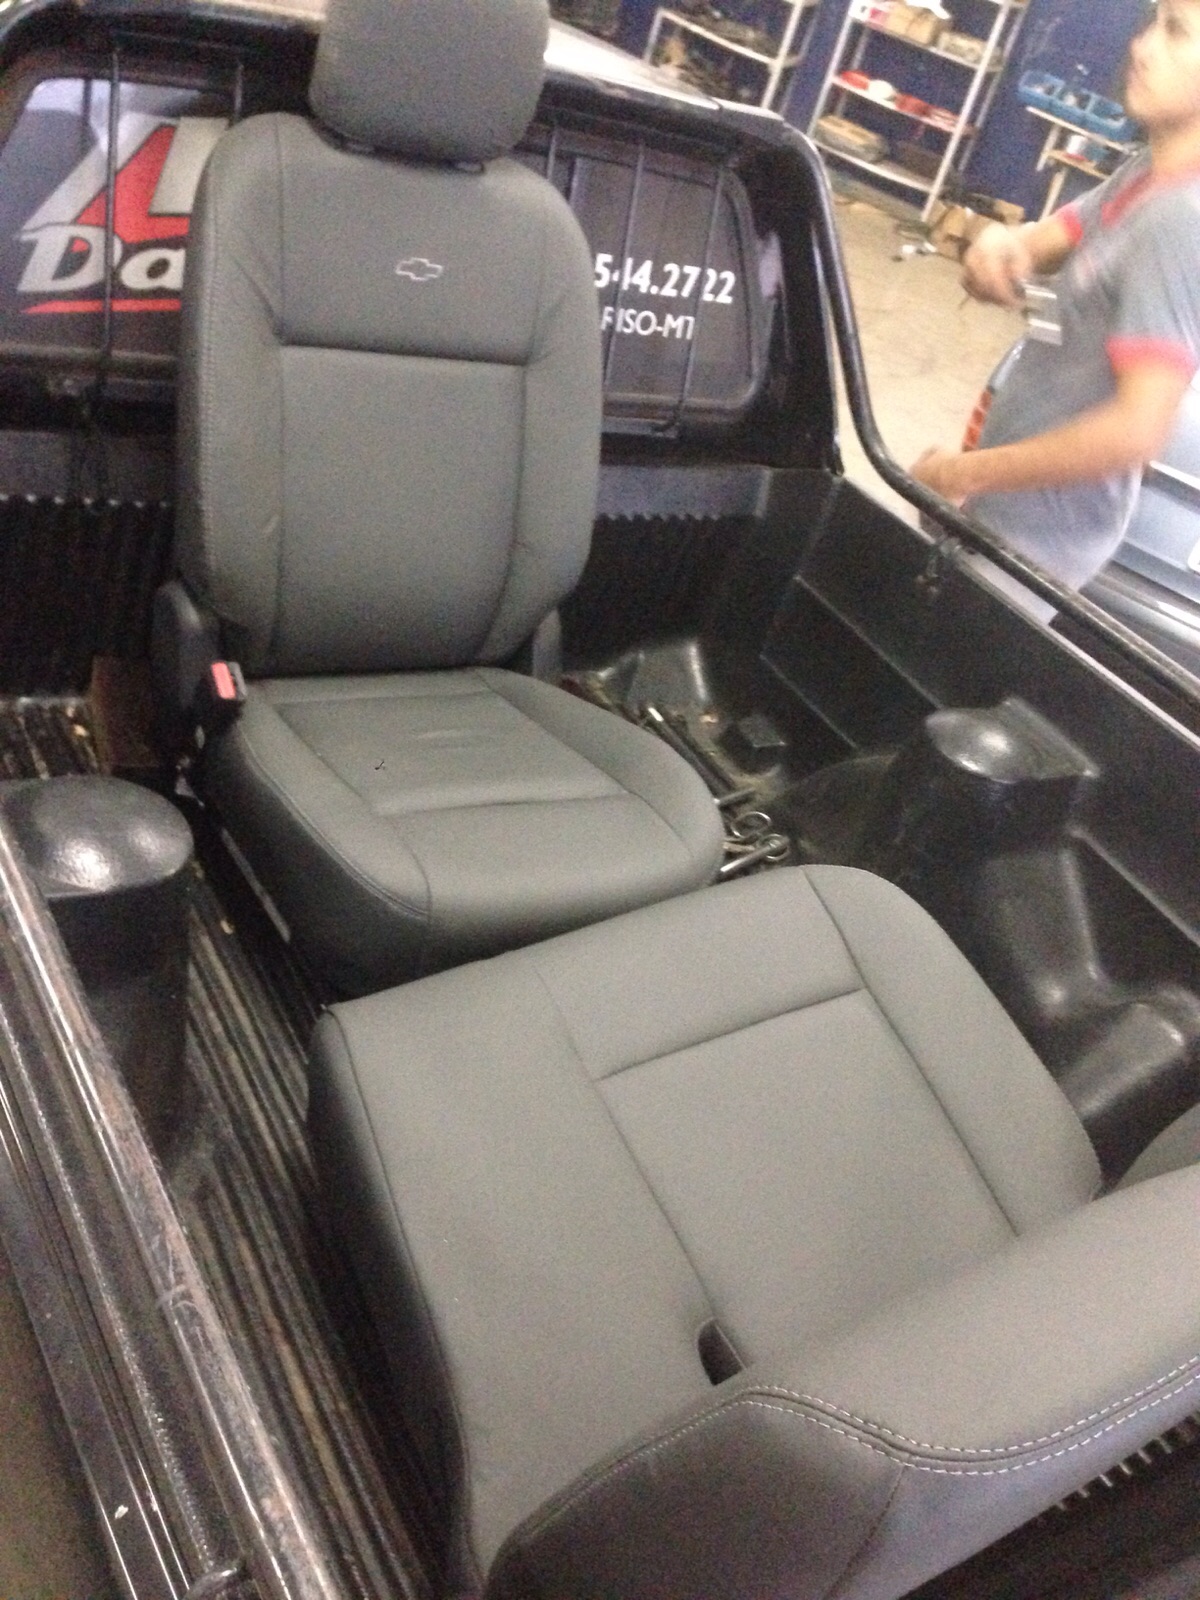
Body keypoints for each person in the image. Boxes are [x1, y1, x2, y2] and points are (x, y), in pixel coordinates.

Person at [910, 0, 1200, 602]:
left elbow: (1137, 430)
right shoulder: (1146, 171)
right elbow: (1063, 231)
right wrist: (1004, 244)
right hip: (999, 510)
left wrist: (959, 474)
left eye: (1176, 32)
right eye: (1152, 21)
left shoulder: (1181, 220)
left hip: (1034, 547)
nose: (1143, 46)